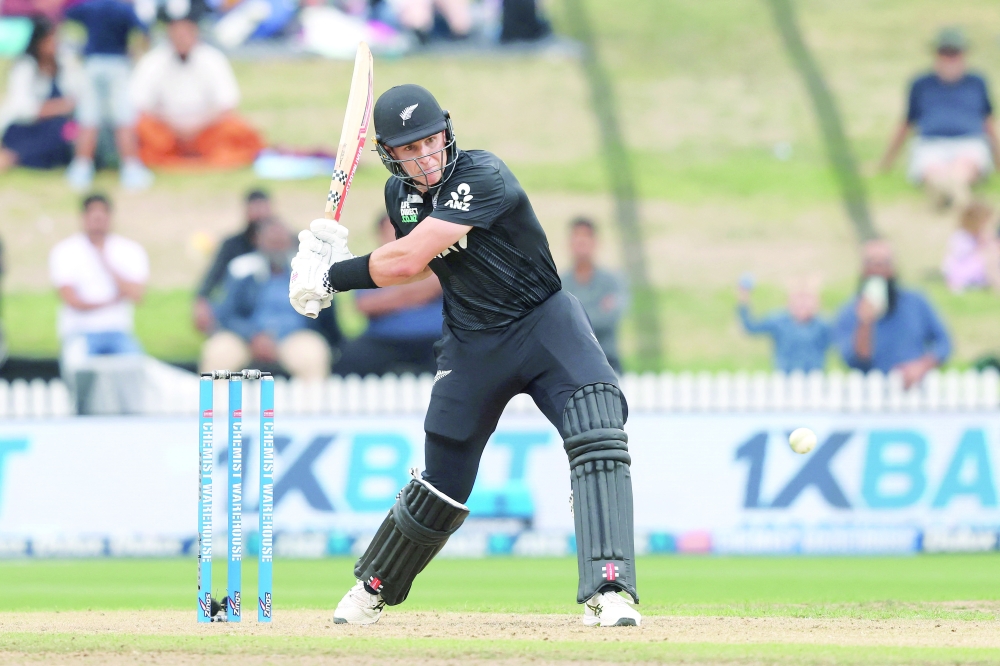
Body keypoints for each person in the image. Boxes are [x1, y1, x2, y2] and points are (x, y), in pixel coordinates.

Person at [287, 84, 640, 627]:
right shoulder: (399, 197)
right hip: (472, 341)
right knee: (442, 480)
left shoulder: (483, 174)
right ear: (390, 154)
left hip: (543, 324)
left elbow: (406, 259)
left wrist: (332, 274)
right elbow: (415, 261)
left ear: (447, 133)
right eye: (410, 149)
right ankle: (374, 585)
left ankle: (609, 590)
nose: (426, 156)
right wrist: (340, 258)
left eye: (431, 141)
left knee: (598, 432)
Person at [880, 27, 1000, 210]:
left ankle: (952, 192)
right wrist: (887, 161)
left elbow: (989, 123)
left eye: (954, 53)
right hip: (931, 143)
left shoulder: (977, 82)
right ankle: (957, 196)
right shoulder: (921, 84)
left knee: (964, 165)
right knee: (933, 168)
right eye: (945, 53)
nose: (950, 59)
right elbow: (907, 124)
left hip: (968, 142)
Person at [201, 217, 331, 381]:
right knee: (218, 352)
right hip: (246, 339)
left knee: (312, 354)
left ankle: (311, 399)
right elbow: (226, 314)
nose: (277, 247)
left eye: (281, 242)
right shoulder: (242, 270)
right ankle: (216, 399)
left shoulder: (308, 273)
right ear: (259, 242)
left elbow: (322, 316)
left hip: (292, 337)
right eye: (272, 242)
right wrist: (252, 336)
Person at [130, 13, 264, 168]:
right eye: (176, 33)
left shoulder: (213, 58)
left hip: (207, 129)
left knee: (240, 130)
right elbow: (140, 105)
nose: (181, 38)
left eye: (185, 33)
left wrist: (196, 129)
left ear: (195, 33)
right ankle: (168, 158)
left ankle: (211, 157)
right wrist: (175, 128)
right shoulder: (152, 61)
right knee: (142, 128)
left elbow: (227, 103)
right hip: (167, 130)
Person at [49, 193, 148, 372]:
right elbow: (71, 299)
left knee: (136, 370)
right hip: (79, 331)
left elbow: (137, 295)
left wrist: (105, 260)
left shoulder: (130, 250)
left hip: (117, 331)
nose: (98, 222)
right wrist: (112, 301)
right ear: (83, 217)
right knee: (77, 368)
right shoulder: (65, 251)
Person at [334, 214, 443, 376]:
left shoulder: (441, 262)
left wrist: (392, 295)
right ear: (380, 236)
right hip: (383, 340)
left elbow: (441, 285)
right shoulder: (368, 267)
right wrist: (418, 292)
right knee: (350, 358)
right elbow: (365, 305)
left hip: (435, 338)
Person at [834, 239, 951, 389]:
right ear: (862, 269)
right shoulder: (849, 313)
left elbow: (944, 343)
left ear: (894, 268)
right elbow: (856, 362)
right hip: (872, 394)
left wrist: (921, 366)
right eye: (872, 263)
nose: (878, 270)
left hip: (914, 392)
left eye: (884, 263)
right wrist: (864, 323)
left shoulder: (916, 303)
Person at [63, 0, 154, 191]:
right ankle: (130, 168)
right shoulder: (124, 10)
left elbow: (66, 15)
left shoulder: (90, 7)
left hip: (92, 64)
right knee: (123, 118)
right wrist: (138, 51)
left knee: (88, 118)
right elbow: (145, 31)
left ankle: (81, 168)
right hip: (117, 64)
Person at [0, 17, 82, 173]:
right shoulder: (25, 66)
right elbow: (23, 109)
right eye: (50, 40)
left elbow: (77, 95)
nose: (55, 43)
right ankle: (12, 157)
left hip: (56, 126)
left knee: (66, 133)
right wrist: (57, 107)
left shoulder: (64, 63)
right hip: (25, 127)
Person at [193, 188, 272, 334]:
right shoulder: (232, 245)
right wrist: (201, 303)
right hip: (238, 313)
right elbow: (212, 277)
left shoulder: (288, 242)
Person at [559, 217, 627, 374]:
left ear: (596, 242)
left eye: (586, 236)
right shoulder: (560, 283)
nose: (581, 241)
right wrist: (597, 310)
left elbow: (610, 318)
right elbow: (556, 324)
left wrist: (574, 316)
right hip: (571, 366)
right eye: (577, 236)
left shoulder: (612, 281)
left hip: (608, 362)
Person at [737, 276, 831, 373]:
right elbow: (751, 327)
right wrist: (744, 297)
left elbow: (838, 340)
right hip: (784, 377)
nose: (803, 303)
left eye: (807, 298)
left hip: (814, 378)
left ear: (817, 302)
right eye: (799, 298)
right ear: (789, 301)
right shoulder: (778, 321)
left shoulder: (823, 325)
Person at [941, 199, 1000, 292]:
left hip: (976, 269)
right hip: (960, 271)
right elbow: (960, 255)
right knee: (989, 258)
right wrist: (981, 246)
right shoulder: (961, 236)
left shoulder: (979, 236)